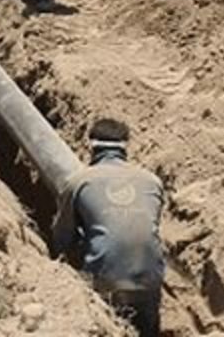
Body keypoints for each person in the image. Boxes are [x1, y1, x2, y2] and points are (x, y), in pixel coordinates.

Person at [52, 118, 166, 337]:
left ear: (91, 148)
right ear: (126, 148)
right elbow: (147, 229)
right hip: (149, 279)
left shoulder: (78, 181)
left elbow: (63, 238)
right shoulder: (152, 181)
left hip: (105, 280)